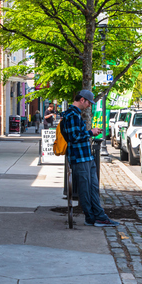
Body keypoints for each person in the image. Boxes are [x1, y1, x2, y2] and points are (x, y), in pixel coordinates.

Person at [60, 90, 118, 227]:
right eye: (88, 103)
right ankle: (91, 217)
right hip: (80, 157)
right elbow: (74, 137)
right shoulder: (72, 115)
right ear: (82, 100)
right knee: (85, 188)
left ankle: (99, 216)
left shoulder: (74, 114)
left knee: (92, 187)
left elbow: (76, 135)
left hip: (85, 156)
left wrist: (89, 133)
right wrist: (90, 132)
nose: (89, 106)